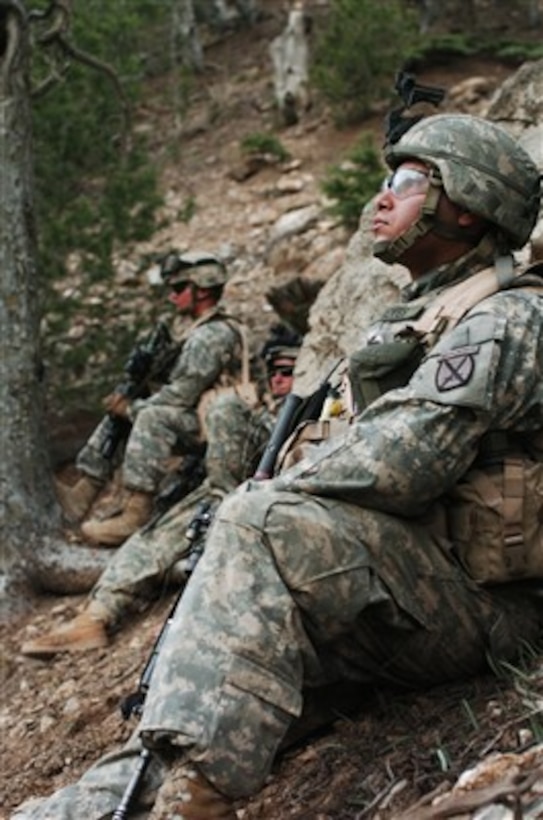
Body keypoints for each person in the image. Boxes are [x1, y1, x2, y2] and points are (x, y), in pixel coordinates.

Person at [13, 114, 543, 820]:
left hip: (487, 611)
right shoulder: (419, 317)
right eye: (388, 180)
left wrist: (269, 497)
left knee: (256, 518)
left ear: (467, 204)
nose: (382, 198)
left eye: (410, 181)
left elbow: (402, 464)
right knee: (200, 710)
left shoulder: (505, 318)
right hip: (401, 597)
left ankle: (198, 804)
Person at [21, 325, 302, 656]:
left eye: (288, 372)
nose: (278, 380)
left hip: (269, 504)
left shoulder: (314, 412)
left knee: (225, 412)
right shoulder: (260, 411)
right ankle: (95, 617)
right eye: (273, 373)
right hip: (224, 496)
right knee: (150, 540)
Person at [56, 250, 250, 547]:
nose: (173, 297)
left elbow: (180, 396)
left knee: (150, 416)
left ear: (202, 291)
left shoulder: (212, 335)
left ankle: (136, 513)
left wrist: (132, 409)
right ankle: (84, 491)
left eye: (178, 289)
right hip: (202, 417)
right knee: (126, 409)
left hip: (223, 426)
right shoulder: (194, 330)